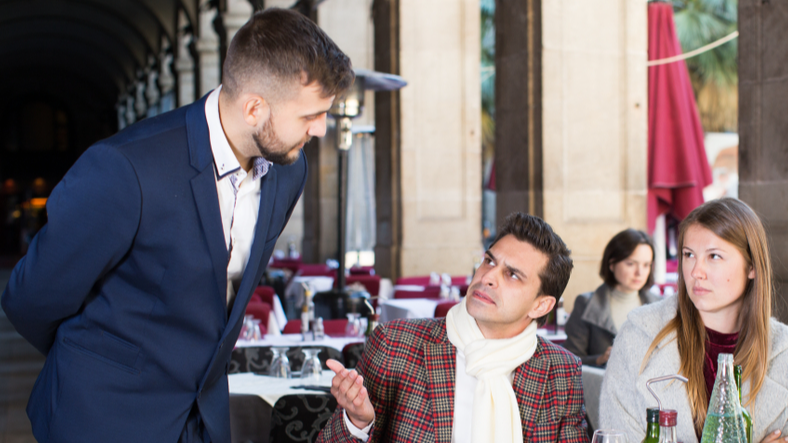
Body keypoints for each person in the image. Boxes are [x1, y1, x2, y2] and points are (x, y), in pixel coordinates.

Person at [1, 9, 353, 443]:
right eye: (309, 115)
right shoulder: (126, 168)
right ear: (254, 108)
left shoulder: (287, 171)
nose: (320, 130)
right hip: (101, 417)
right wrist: (98, 363)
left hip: (202, 420)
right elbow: (30, 299)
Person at [317, 212, 589, 443]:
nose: (488, 277)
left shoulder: (561, 371)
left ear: (541, 306)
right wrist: (357, 422)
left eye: (512, 275)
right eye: (490, 261)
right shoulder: (396, 344)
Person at [600, 198, 788, 443]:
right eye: (689, 254)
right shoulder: (638, 336)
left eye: (714, 256)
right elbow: (617, 437)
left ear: (751, 266)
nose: (695, 271)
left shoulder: (783, 350)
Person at [563, 229, 660, 367]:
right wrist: (601, 359)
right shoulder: (585, 303)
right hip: (600, 385)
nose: (640, 272)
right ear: (612, 264)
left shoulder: (661, 305)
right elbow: (568, 362)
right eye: (631, 264)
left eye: (646, 265)